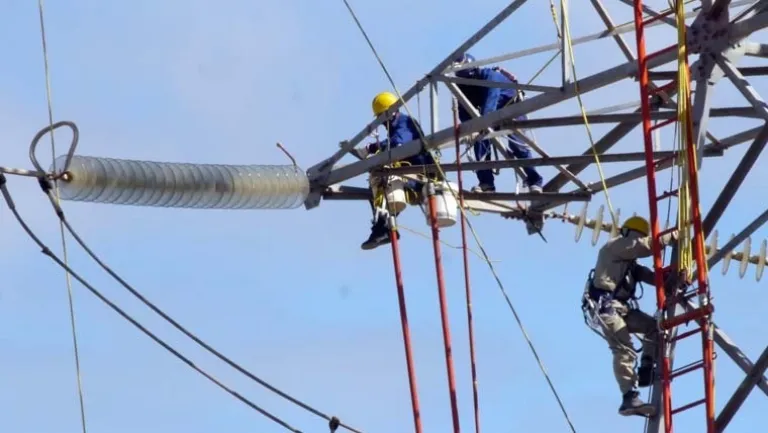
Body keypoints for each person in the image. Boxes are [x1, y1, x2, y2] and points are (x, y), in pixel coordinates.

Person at [583, 216, 684, 417]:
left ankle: (646, 366)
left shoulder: (630, 264)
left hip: (620, 309)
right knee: (624, 349)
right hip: (606, 308)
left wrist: (674, 280)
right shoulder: (614, 247)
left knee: (653, 328)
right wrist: (670, 237)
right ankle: (629, 397)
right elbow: (646, 247)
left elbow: (653, 277)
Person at [354, 91, 439, 251]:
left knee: (386, 179)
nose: (381, 123)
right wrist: (373, 148)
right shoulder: (396, 125)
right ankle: (384, 228)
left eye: (382, 118)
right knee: (378, 187)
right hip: (411, 174)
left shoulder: (406, 123)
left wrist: (374, 147)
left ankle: (383, 228)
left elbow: (399, 143)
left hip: (420, 174)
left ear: (389, 113)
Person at [451, 52, 543, 194]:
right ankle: (486, 183)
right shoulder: (464, 86)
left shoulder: (489, 77)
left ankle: (535, 181)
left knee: (518, 145)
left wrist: (480, 125)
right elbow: (464, 110)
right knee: (479, 142)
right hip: (490, 116)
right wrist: (469, 129)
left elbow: (490, 101)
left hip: (512, 111)